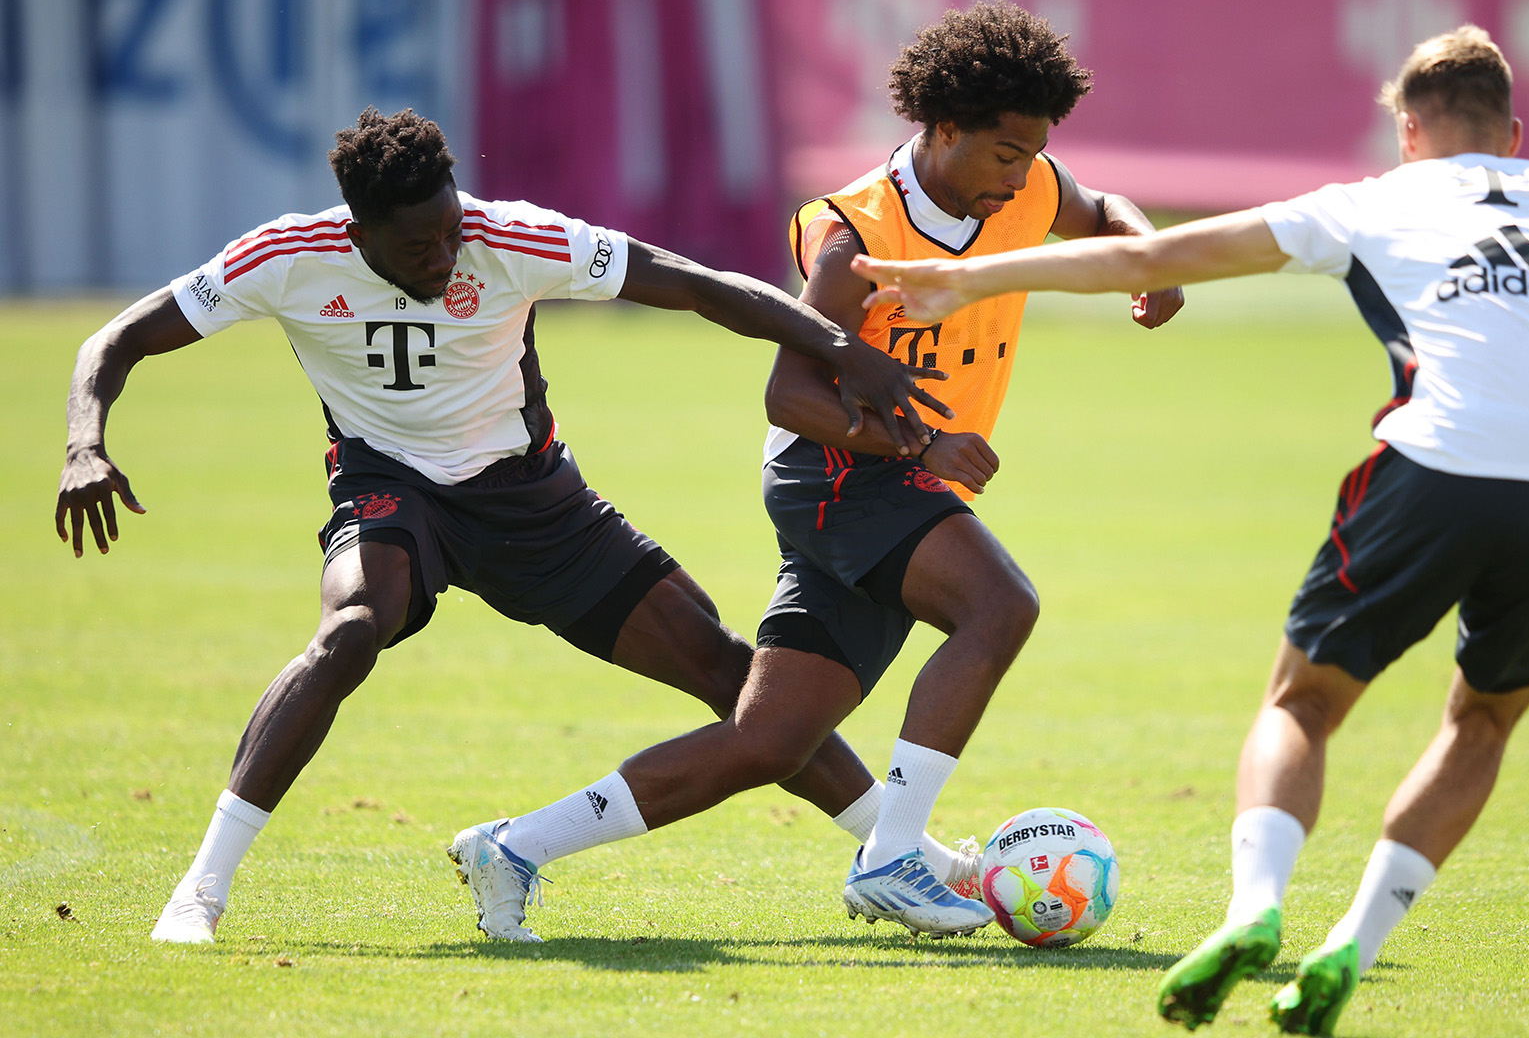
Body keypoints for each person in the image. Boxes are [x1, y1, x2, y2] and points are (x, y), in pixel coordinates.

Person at [851, 25, 1529, 1032]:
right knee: (1483, 722)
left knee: (1304, 703)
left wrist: (972, 279)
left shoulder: (1374, 202)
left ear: (1409, 132)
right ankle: (1354, 942)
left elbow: (1155, 255)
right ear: (1513, 133)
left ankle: (1256, 911)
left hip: (1438, 464)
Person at [57, 107, 950, 945]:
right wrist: (84, 446)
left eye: (452, 228)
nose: (449, 253)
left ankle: (903, 853)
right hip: (390, 487)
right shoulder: (287, 256)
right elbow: (115, 342)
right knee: (350, 633)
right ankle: (200, 891)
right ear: (358, 234)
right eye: (420, 246)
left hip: (533, 501)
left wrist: (842, 351)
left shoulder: (509, 236)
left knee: (727, 672)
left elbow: (696, 285)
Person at [454, 1, 1183, 940]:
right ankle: (895, 855)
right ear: (945, 129)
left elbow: (1098, 207)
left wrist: (1145, 253)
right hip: (837, 479)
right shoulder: (852, 238)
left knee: (769, 740)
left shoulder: (1028, 186)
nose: (1022, 175)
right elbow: (789, 397)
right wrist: (922, 445)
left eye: (1035, 152)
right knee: (1001, 605)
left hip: (893, 489)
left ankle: (512, 848)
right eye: (1006, 152)